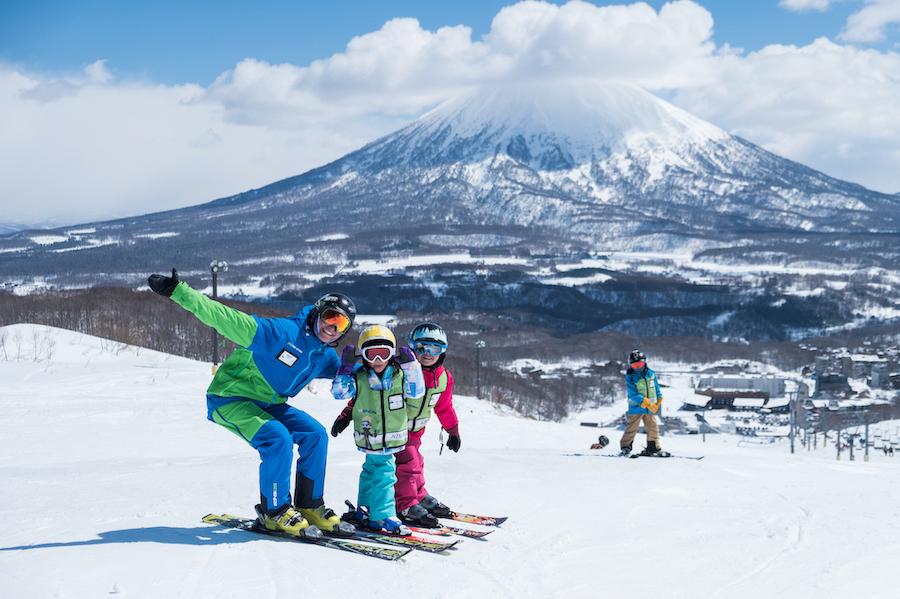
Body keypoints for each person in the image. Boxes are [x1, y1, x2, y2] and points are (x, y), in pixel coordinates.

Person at [147, 268, 355, 537]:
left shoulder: (323, 356)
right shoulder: (281, 333)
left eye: (341, 325)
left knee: (314, 434)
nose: (331, 327)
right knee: (277, 438)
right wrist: (179, 292)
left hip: (270, 403)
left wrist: (395, 368)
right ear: (318, 313)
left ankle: (309, 506)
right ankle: (275, 512)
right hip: (230, 398)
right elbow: (225, 318)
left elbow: (359, 372)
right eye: (330, 317)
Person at [330, 324, 425, 534]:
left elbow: (417, 392)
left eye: (383, 354)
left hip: (392, 438)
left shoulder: (400, 375)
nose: (378, 361)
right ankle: (382, 515)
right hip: (370, 436)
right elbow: (339, 393)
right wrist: (344, 369)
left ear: (392, 354)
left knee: (372, 471)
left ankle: (366, 509)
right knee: (384, 473)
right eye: (372, 355)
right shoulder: (360, 377)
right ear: (363, 356)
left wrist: (412, 367)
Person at [393, 322, 461, 528]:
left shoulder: (443, 378)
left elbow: (444, 407)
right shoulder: (401, 371)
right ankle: (405, 505)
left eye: (435, 348)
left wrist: (453, 431)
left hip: (416, 431)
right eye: (422, 347)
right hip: (396, 430)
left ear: (443, 351)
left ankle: (418, 495)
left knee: (417, 462)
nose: (428, 353)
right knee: (409, 464)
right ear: (413, 347)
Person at [619, 349, 663, 456]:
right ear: (631, 365)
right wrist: (643, 401)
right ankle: (626, 447)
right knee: (632, 427)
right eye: (635, 366)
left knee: (653, 427)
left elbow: (655, 387)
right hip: (636, 407)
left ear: (644, 362)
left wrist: (659, 397)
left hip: (650, 407)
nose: (638, 368)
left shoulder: (651, 374)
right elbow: (632, 394)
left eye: (640, 364)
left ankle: (653, 447)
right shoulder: (631, 377)